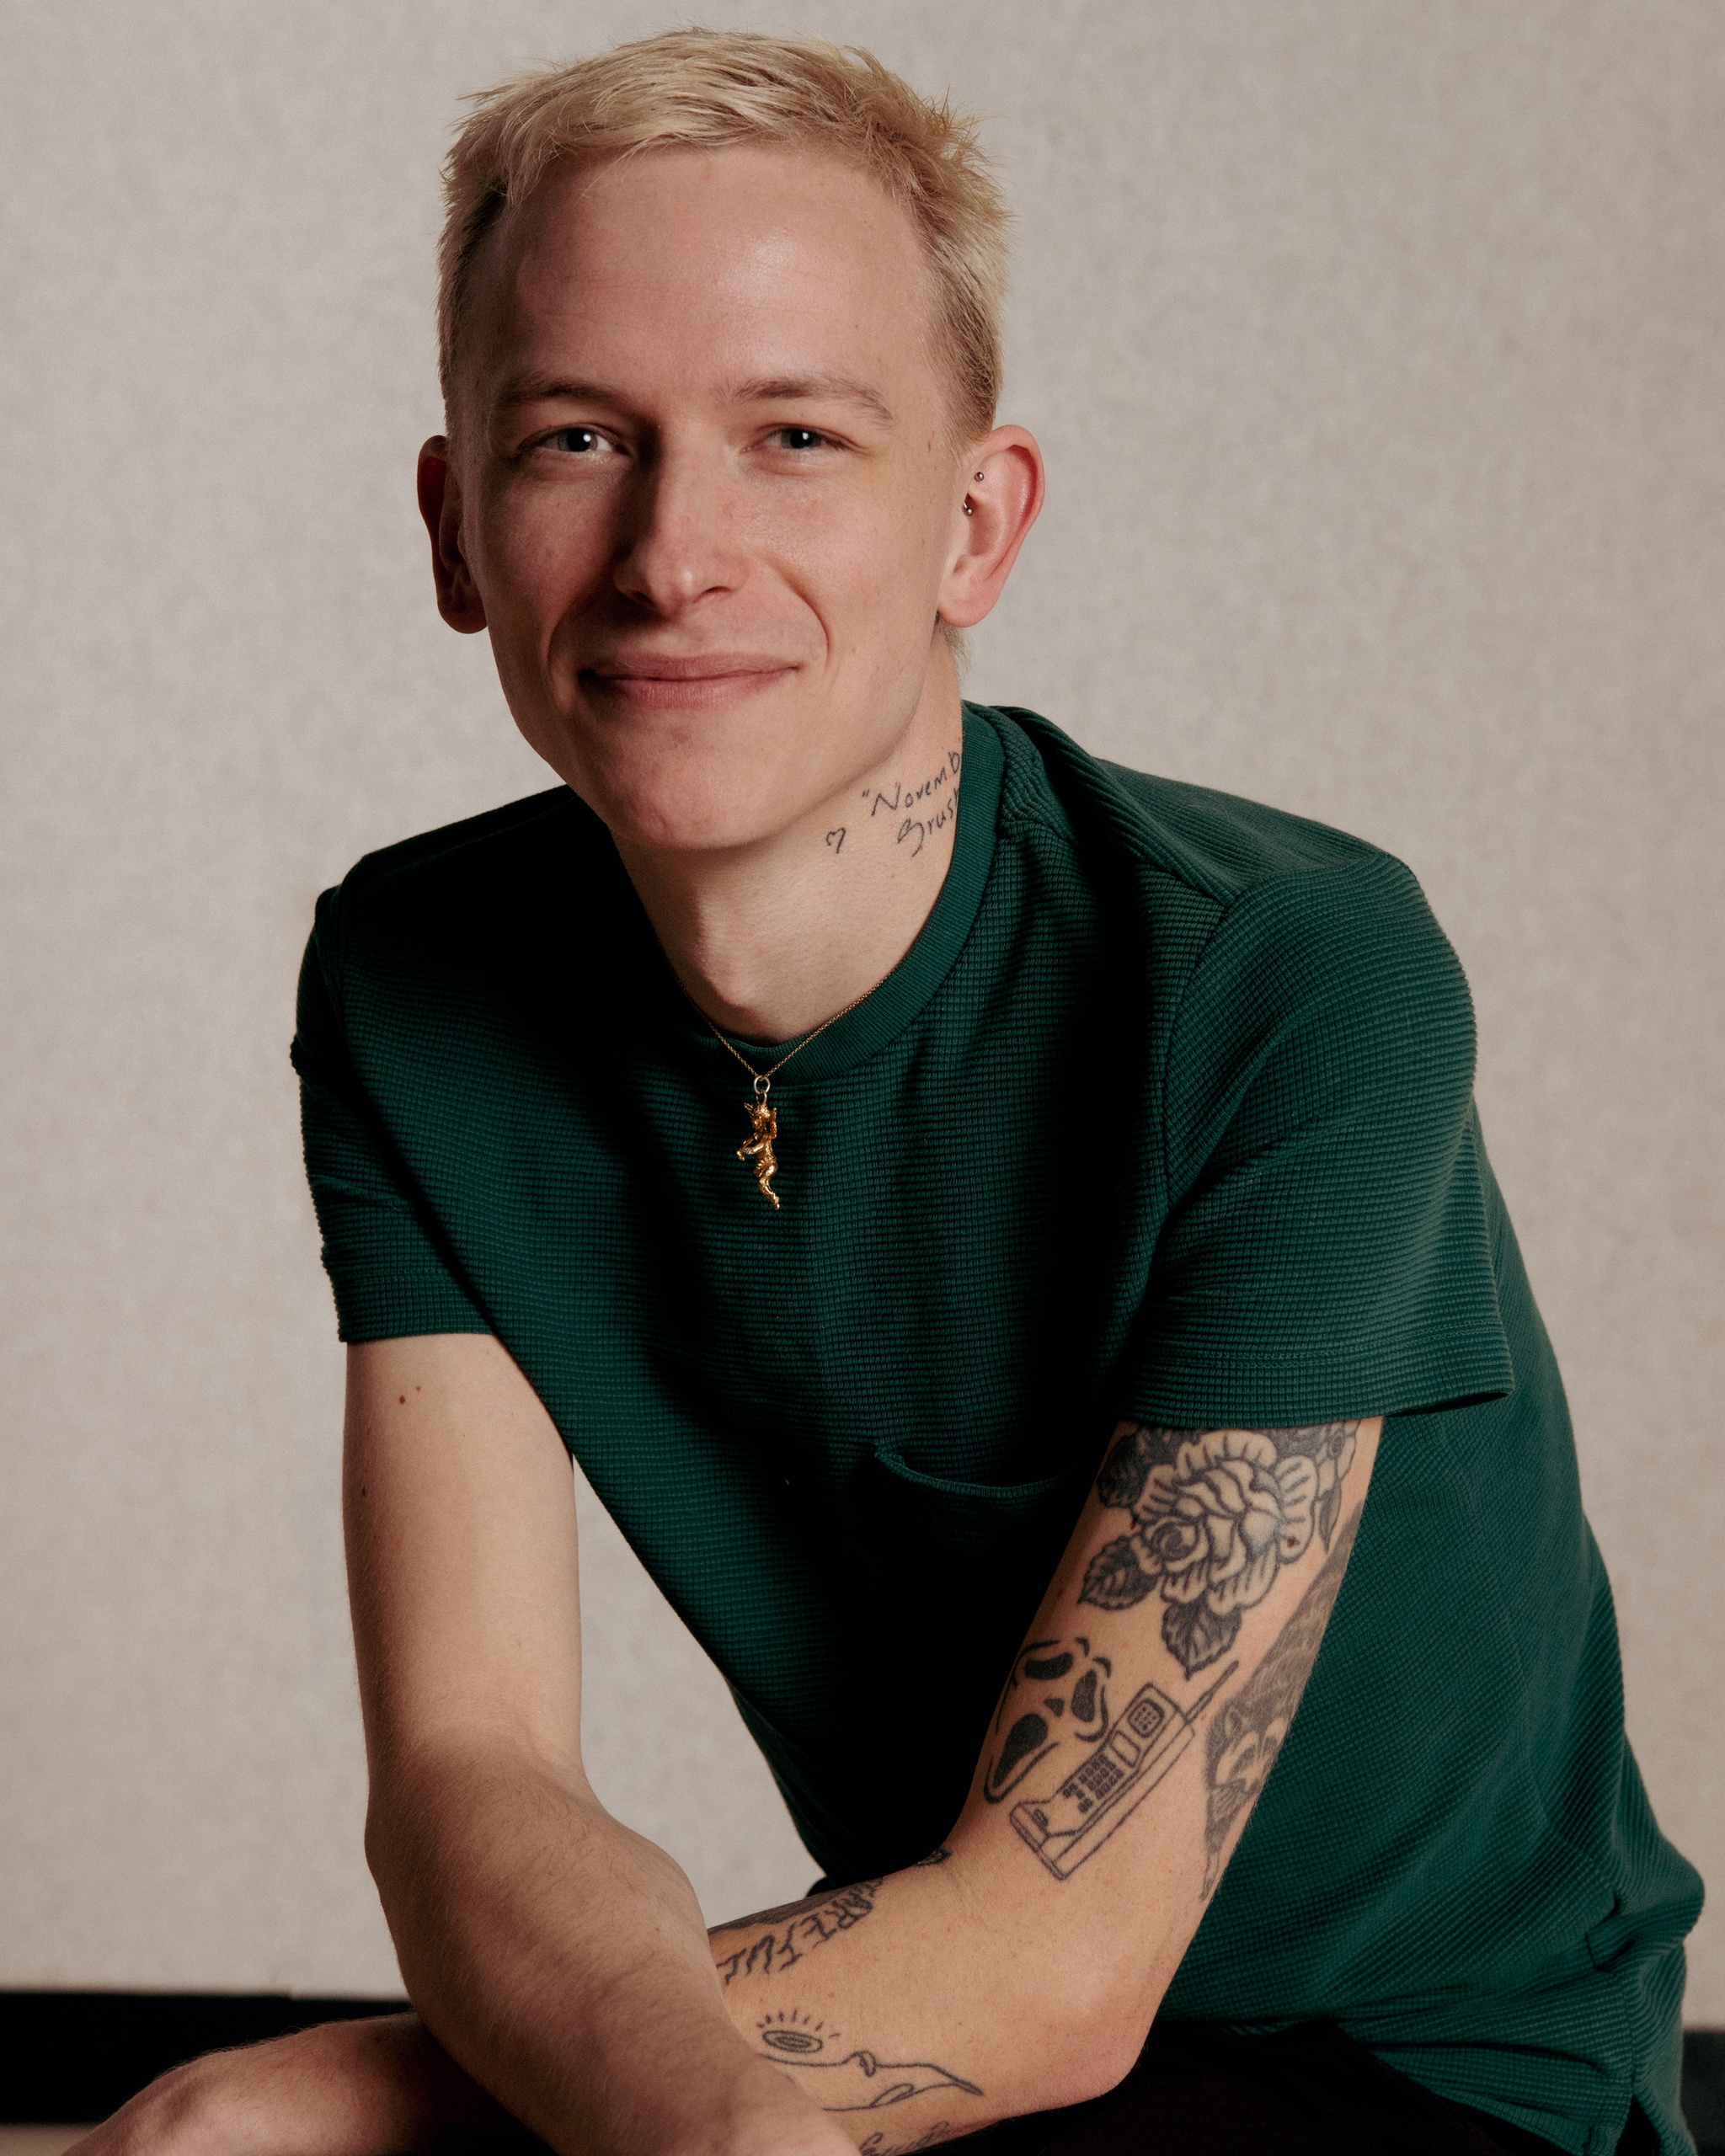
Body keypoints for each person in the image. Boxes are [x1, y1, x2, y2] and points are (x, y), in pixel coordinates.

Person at [79, 28, 1701, 2156]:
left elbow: (1052, 1958)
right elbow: (478, 1772)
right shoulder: (414, 983)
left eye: (795, 437)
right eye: (580, 436)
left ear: (972, 522)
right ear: (456, 519)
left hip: (1422, 2079)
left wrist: (346, 2098)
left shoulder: (1294, 977)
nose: (677, 550)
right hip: (905, 2053)